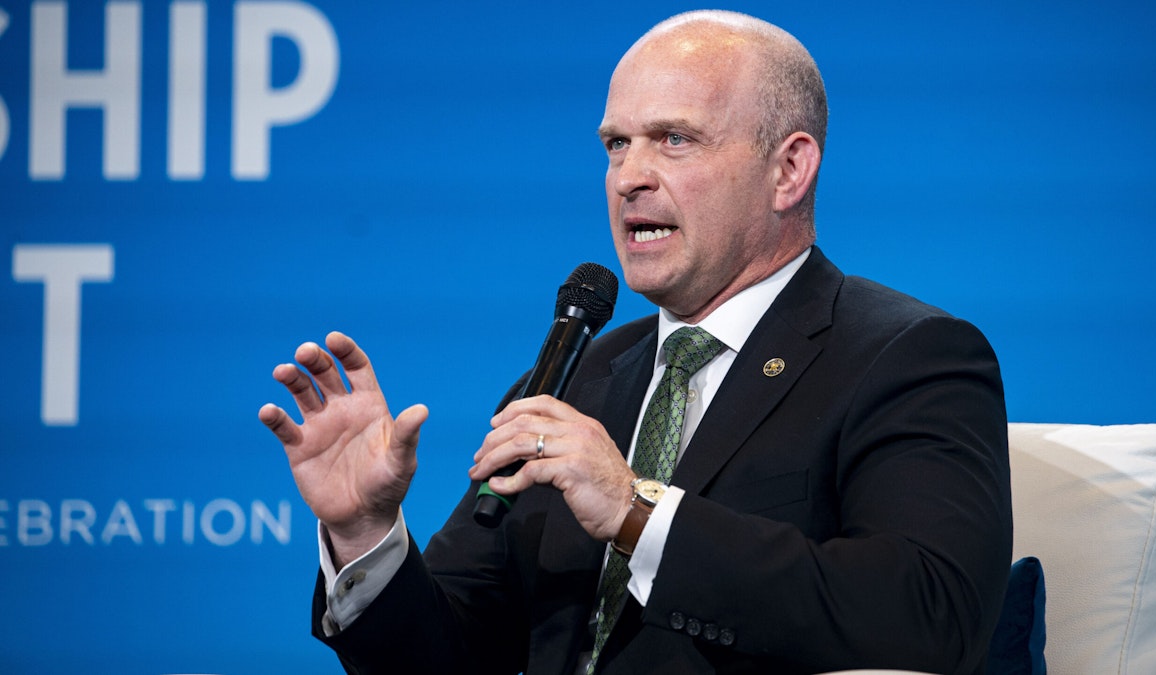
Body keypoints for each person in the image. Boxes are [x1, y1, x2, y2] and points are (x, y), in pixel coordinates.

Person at [259, 10, 1012, 675]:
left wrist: (637, 511)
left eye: (674, 140)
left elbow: (932, 620)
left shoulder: (908, 357)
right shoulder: (578, 376)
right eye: (616, 145)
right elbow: (447, 656)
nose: (629, 178)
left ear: (788, 170)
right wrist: (365, 533)